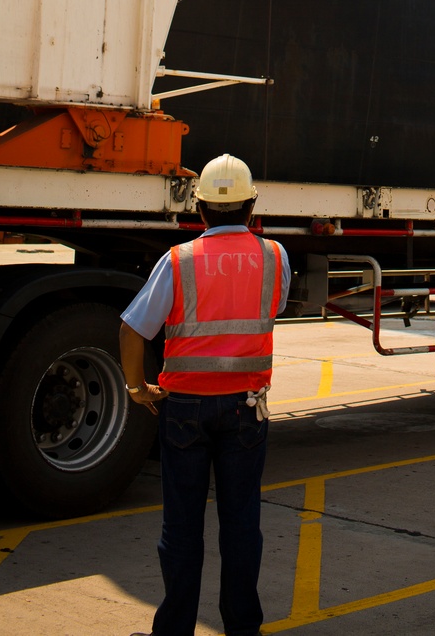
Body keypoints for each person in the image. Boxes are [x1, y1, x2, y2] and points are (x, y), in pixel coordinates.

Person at [120, 154, 290, 636]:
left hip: (183, 407)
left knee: (181, 526)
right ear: (252, 208)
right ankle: (242, 627)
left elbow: (133, 329)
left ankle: (174, 630)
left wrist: (137, 387)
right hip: (246, 407)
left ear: (199, 211)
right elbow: (273, 307)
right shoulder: (275, 256)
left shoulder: (177, 261)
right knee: (241, 523)